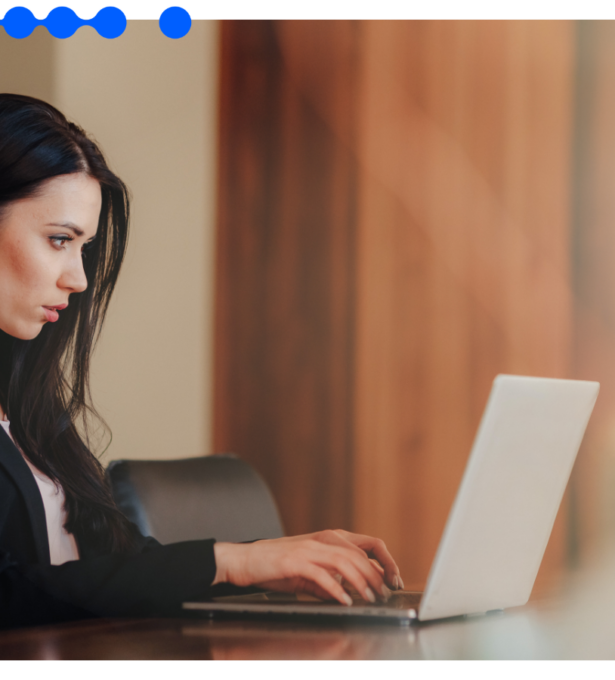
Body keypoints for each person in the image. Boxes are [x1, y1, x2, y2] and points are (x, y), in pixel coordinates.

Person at [0, 93, 403, 630]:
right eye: (58, 240)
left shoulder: (27, 402)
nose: (79, 278)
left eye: (83, 248)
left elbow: (105, 567)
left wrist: (266, 564)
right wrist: (229, 562)